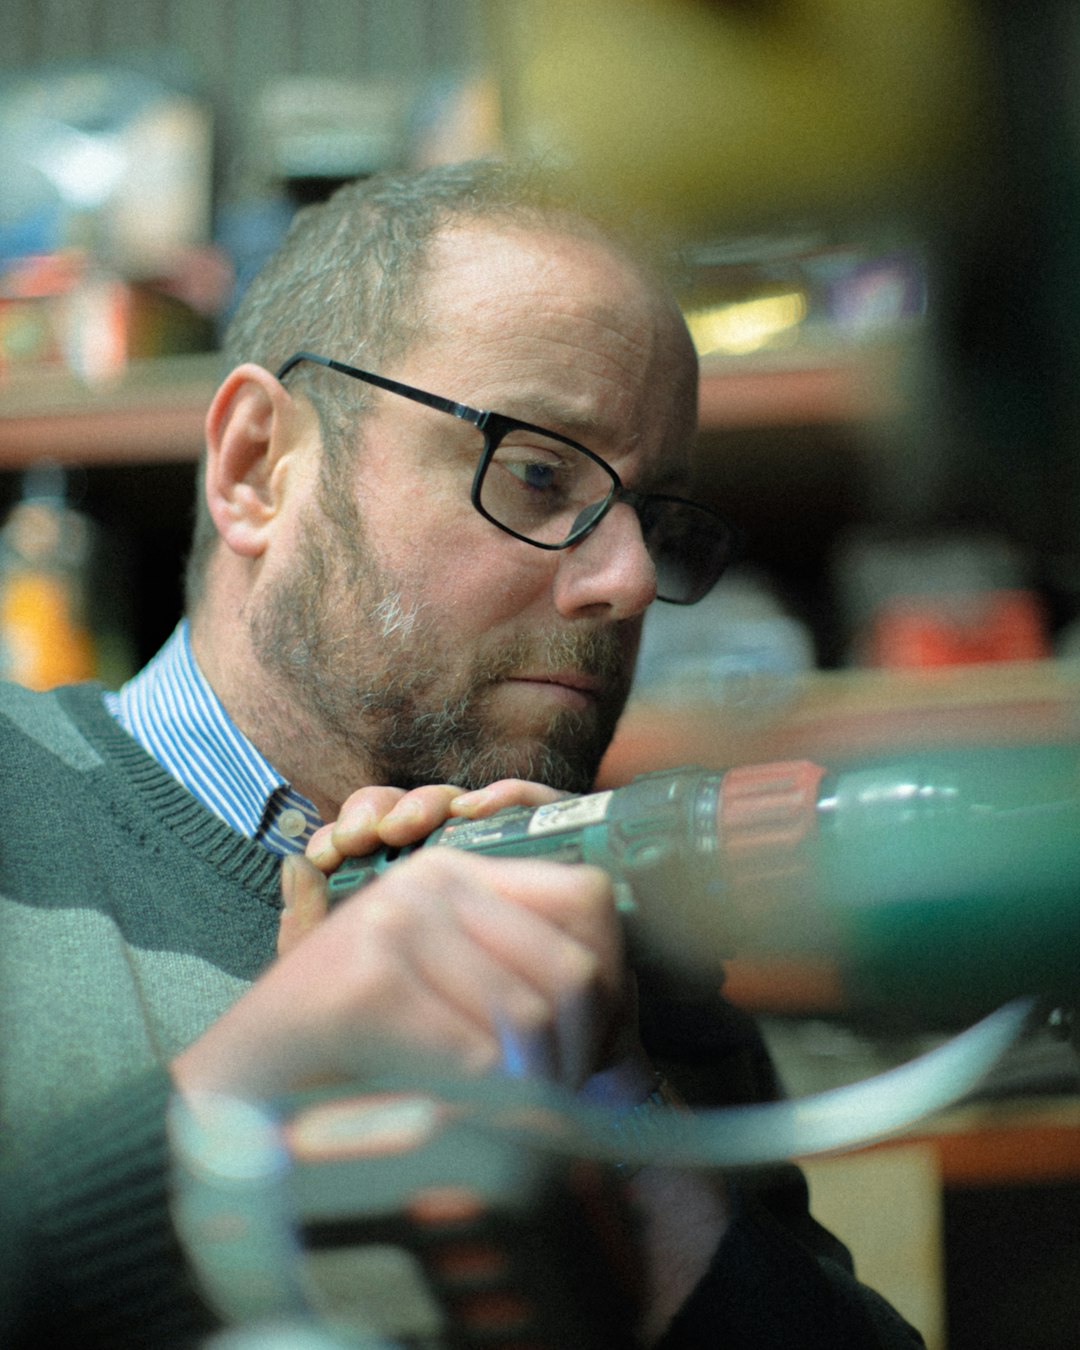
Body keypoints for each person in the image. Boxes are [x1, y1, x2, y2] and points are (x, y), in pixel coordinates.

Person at [0, 159, 923, 1348]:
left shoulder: (633, 976)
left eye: (658, 516)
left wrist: (629, 1137)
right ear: (257, 469)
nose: (633, 578)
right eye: (539, 473)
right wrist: (241, 1111)